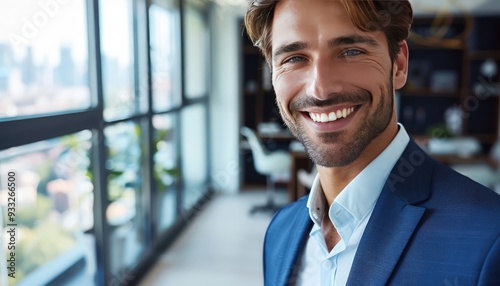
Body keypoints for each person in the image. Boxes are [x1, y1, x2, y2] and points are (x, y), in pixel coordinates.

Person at [244, 0, 500, 285]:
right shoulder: (280, 231)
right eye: (293, 58)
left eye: (351, 51)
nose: (320, 88)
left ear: (399, 65)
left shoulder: (489, 237)